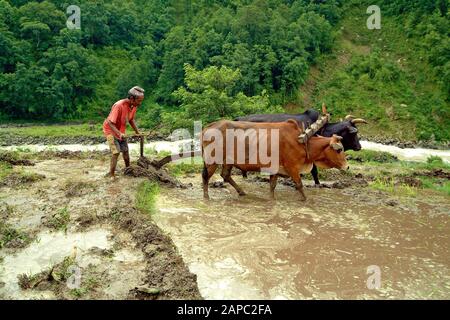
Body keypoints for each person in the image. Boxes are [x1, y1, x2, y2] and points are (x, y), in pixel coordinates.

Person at [103, 86, 145, 178]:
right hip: (110, 130)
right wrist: (119, 133)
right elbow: (110, 122)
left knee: (126, 151)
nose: (140, 103)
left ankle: (128, 170)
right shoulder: (119, 105)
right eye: (139, 100)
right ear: (131, 98)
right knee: (116, 152)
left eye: (141, 101)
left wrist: (137, 132)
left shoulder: (133, 106)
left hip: (121, 131)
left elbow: (131, 120)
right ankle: (112, 175)